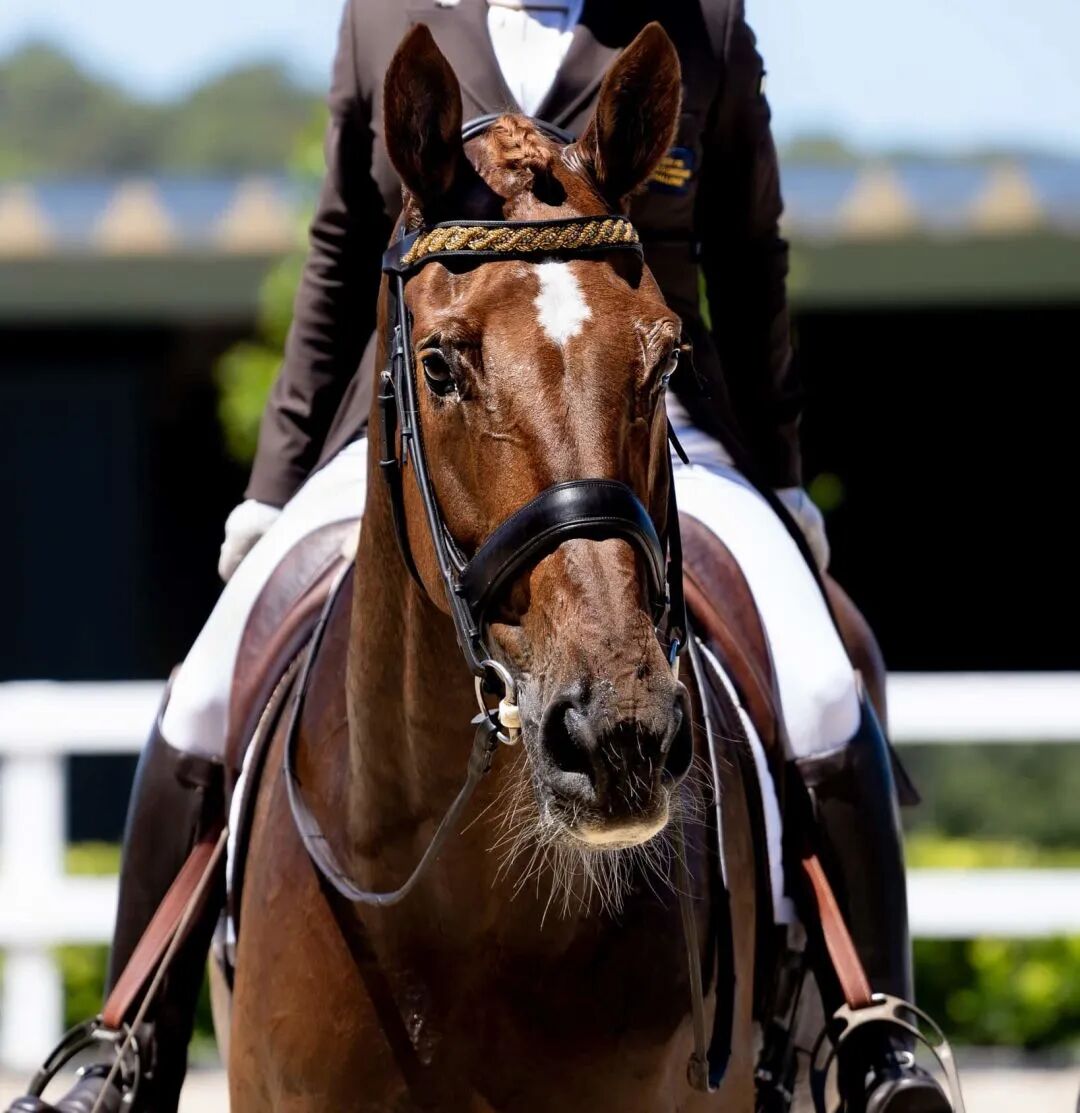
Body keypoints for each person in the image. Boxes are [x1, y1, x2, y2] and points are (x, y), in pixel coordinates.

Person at [9, 3, 953, 1111]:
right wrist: (276, 482)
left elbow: (747, 255)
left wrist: (779, 472)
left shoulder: (701, 21)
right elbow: (340, 250)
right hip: (420, 419)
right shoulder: (385, 17)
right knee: (206, 691)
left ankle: (874, 1037)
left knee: (826, 683)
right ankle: (126, 1050)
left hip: (641, 416)